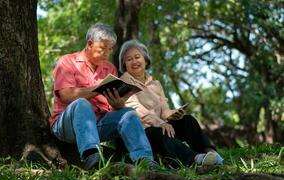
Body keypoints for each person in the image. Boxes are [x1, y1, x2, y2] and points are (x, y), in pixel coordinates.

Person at [49, 23, 155, 170]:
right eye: (103, 48)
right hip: (67, 126)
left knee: (128, 113)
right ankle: (92, 158)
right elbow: (66, 95)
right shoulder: (67, 61)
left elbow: (112, 109)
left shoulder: (109, 68)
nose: (107, 53)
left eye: (110, 49)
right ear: (90, 43)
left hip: (97, 126)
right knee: (82, 104)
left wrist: (118, 103)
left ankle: (145, 160)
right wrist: (98, 89)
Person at [118, 39, 224, 167]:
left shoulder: (155, 84)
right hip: (141, 134)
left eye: (137, 57)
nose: (134, 62)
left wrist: (175, 114)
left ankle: (212, 154)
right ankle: (196, 159)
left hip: (160, 126)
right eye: (129, 59)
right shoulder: (123, 83)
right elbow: (136, 110)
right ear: (124, 64)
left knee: (188, 120)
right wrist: (161, 123)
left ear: (145, 61)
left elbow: (164, 111)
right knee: (158, 131)